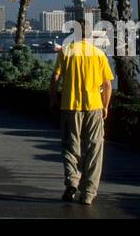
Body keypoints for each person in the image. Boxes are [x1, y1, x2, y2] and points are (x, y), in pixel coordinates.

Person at [48, 20, 113, 205]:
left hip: (70, 106)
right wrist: (105, 106)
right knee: (94, 149)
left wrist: (53, 97)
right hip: (94, 107)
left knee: (70, 146)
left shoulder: (67, 52)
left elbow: (55, 77)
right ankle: (88, 193)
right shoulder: (99, 54)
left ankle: (72, 181)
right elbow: (107, 84)